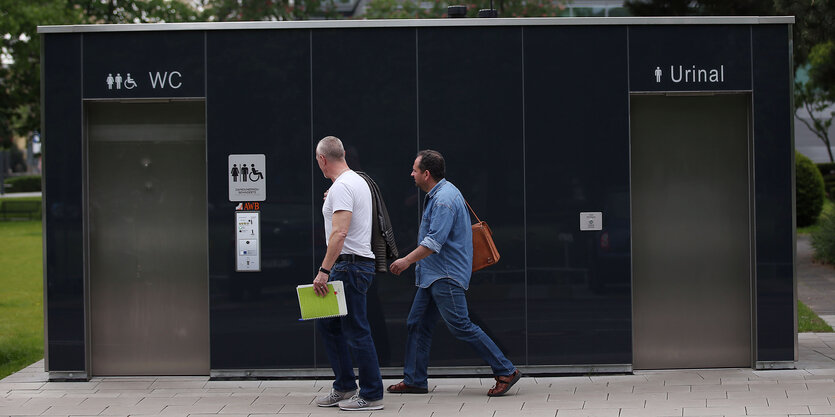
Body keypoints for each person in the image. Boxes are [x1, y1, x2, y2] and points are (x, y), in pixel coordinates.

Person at [388, 150, 521, 397]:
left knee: (460, 325)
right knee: (417, 323)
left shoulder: (443, 200)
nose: (412, 174)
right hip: (432, 275)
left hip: (444, 275)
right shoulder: (440, 194)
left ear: (426, 174)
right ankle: (415, 380)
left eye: (415, 170)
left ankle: (506, 370)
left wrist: (406, 260)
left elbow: (433, 242)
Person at [312, 136, 384, 411]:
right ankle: (344, 386)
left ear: (322, 160)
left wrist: (323, 271)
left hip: (348, 266)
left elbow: (340, 233)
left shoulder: (343, 187)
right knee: (329, 325)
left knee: (356, 331)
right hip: (354, 265)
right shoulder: (357, 181)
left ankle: (372, 394)